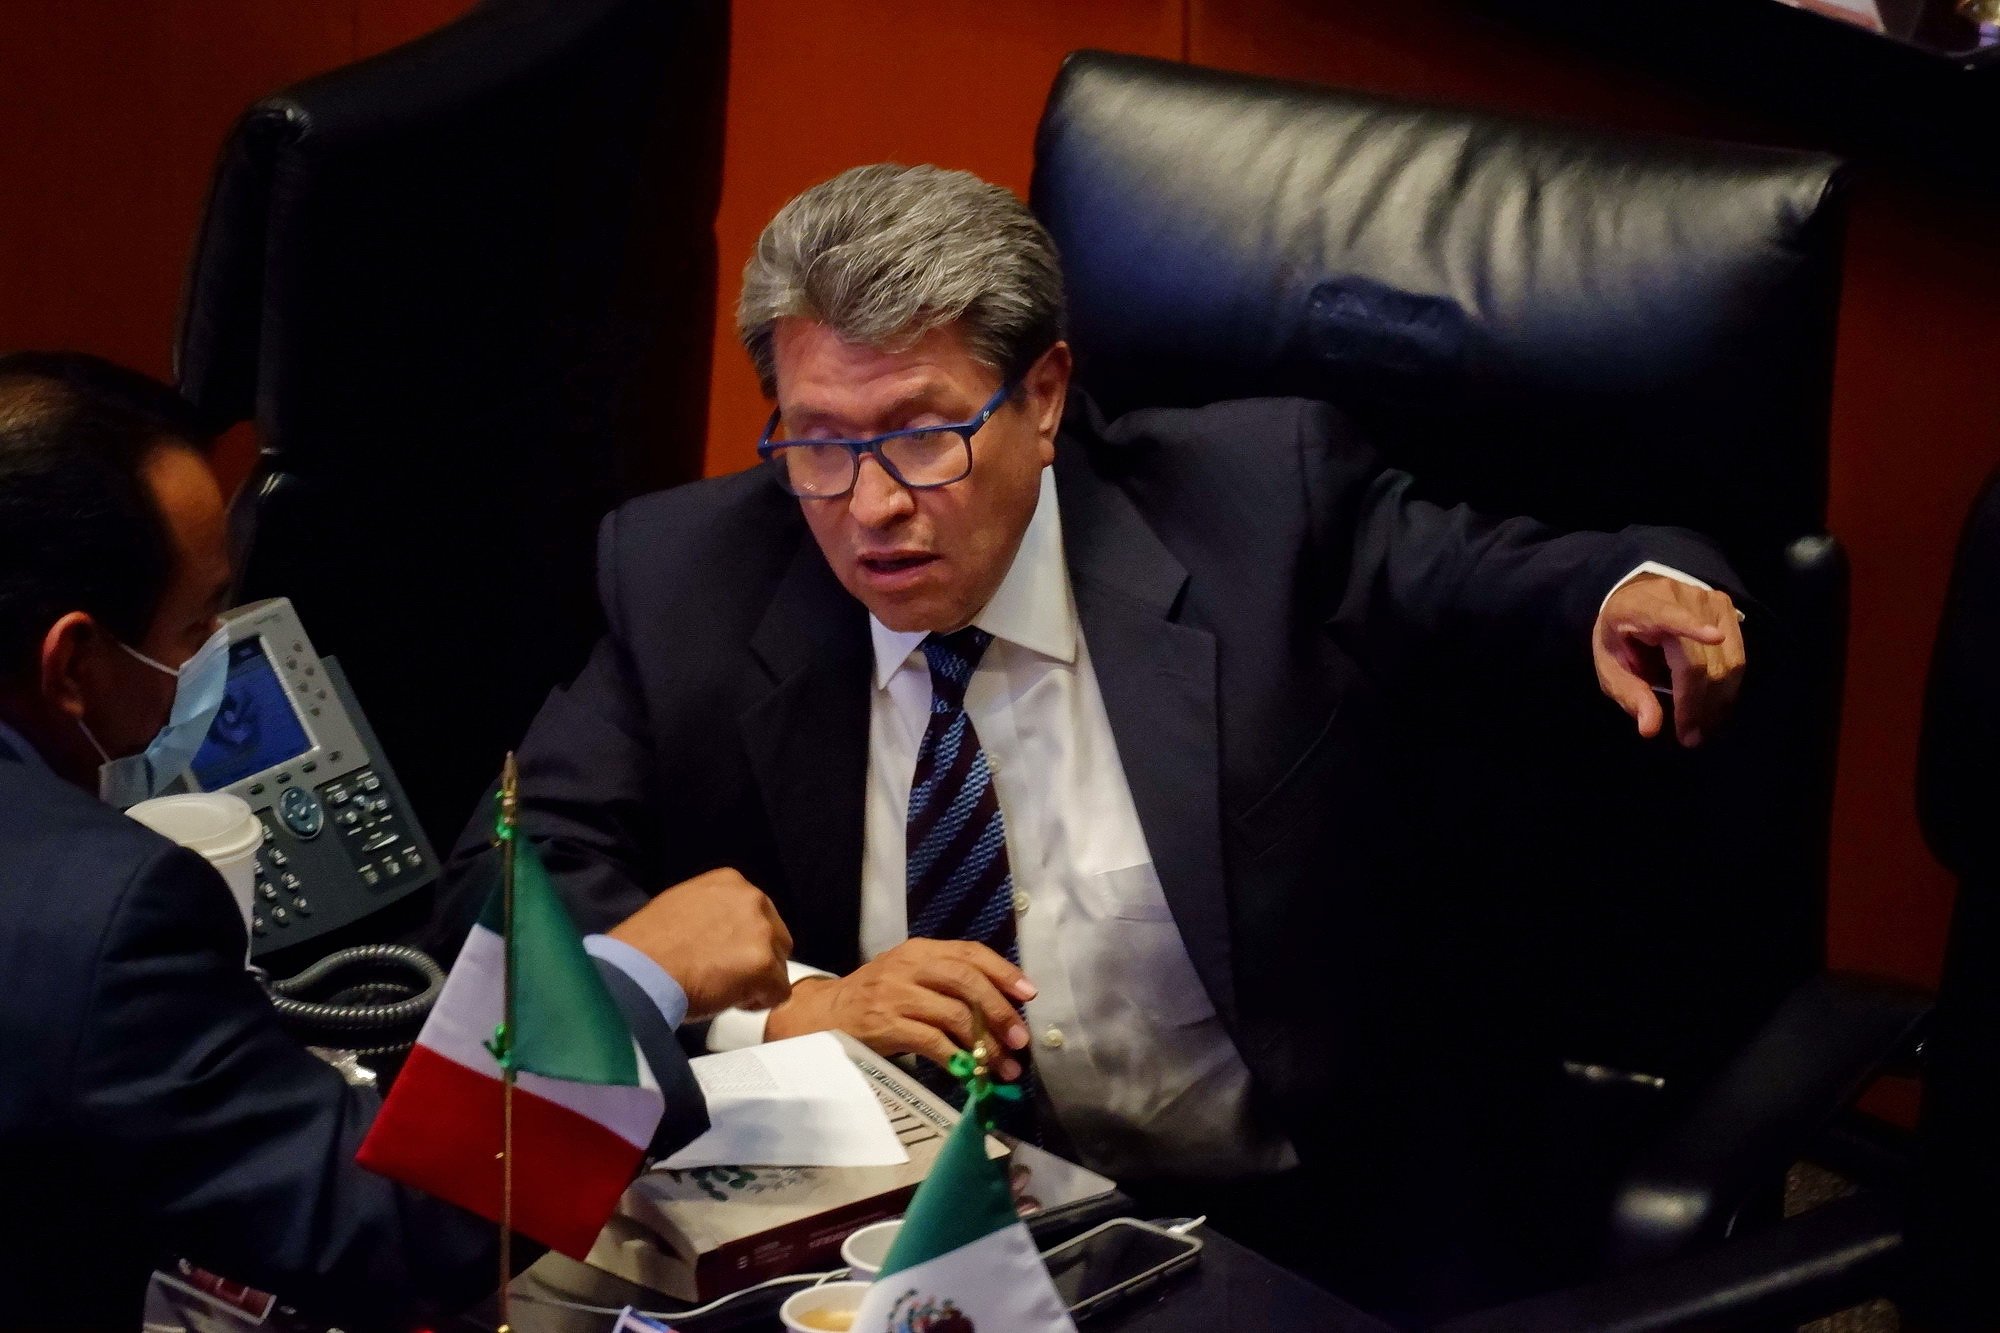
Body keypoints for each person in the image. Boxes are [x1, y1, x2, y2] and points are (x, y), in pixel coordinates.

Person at [444, 165, 1752, 1306]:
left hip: (1298, 1223)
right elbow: (503, 884)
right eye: (820, 444)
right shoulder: (691, 575)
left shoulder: (1258, 508)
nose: (871, 507)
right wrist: (785, 1014)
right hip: (895, 1237)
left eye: (923, 436)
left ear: (1045, 397)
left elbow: (1498, 578)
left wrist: (1626, 592)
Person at [0, 352, 794, 1331]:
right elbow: (389, 1229)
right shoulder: (104, 911)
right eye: (195, 626)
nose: (215, 655)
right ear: (72, 665)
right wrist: (634, 986)